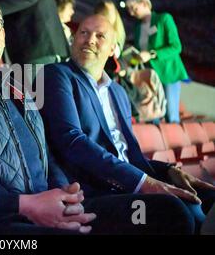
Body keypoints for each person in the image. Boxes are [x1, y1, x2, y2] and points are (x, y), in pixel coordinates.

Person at [0, 0, 195, 235]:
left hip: (42, 208)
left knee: (169, 213)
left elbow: (46, 157)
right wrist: (25, 205)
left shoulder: (18, 87)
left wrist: (67, 197)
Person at [40, 14, 215, 233]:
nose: (89, 39)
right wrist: (145, 183)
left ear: (113, 48)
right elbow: (72, 141)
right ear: (73, 40)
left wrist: (168, 170)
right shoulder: (56, 75)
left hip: (128, 185)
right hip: (95, 193)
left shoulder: (118, 92)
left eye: (100, 35)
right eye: (83, 33)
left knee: (206, 196)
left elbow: (125, 154)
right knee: (175, 211)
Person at [126, 0, 188, 123]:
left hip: (168, 73)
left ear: (144, 3)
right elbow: (141, 54)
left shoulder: (164, 19)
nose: (131, 13)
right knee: (152, 115)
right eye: (129, 10)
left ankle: (173, 143)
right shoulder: (138, 27)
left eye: (134, 8)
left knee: (171, 117)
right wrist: (132, 59)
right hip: (149, 77)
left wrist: (151, 54)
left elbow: (176, 47)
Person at [94, 0, 126, 78]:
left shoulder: (117, 32)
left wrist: (122, 66)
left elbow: (119, 56)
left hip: (114, 76)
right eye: (109, 12)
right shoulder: (97, 32)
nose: (113, 14)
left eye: (113, 11)